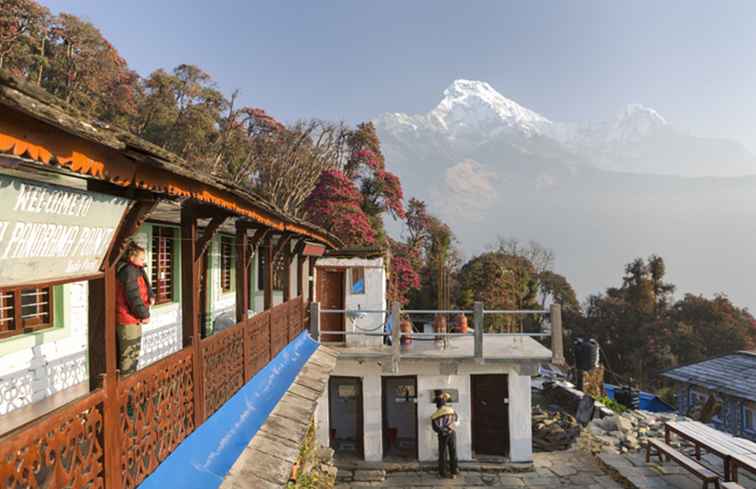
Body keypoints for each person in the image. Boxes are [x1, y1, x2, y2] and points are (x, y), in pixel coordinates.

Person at [115, 242, 154, 375]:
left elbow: (146, 286)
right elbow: (133, 297)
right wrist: (144, 315)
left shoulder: (137, 270)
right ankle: (126, 389)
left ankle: (129, 385)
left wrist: (151, 296)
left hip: (134, 318)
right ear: (132, 258)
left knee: (133, 353)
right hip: (127, 318)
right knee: (129, 355)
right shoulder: (129, 271)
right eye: (141, 258)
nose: (144, 261)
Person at [431, 392, 459, 478]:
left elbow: (435, 428)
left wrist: (442, 430)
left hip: (442, 435)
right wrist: (450, 428)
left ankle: (442, 472)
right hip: (452, 433)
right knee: (453, 451)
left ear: (437, 405)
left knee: (443, 453)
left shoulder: (434, 415)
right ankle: (454, 471)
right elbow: (457, 420)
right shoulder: (451, 410)